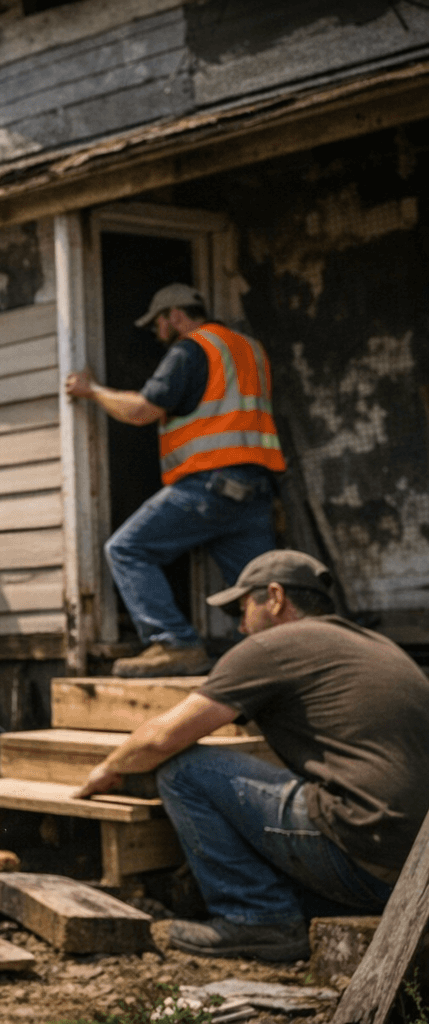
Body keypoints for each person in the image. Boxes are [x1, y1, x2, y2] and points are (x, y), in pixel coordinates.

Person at [74, 550, 429, 962]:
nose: (241, 626)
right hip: (414, 872)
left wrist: (106, 769)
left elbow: (160, 740)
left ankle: (256, 920)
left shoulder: (274, 646)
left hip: (373, 855)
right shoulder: (370, 644)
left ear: (275, 598)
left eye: (243, 609)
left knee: (185, 770)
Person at [65, 283, 286, 677]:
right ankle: (277, 660)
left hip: (210, 485)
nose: (157, 332)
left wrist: (91, 391)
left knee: (127, 549)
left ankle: (173, 641)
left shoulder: (190, 349)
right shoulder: (249, 349)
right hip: (255, 488)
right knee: (257, 586)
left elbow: (141, 412)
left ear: (176, 316)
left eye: (158, 323)